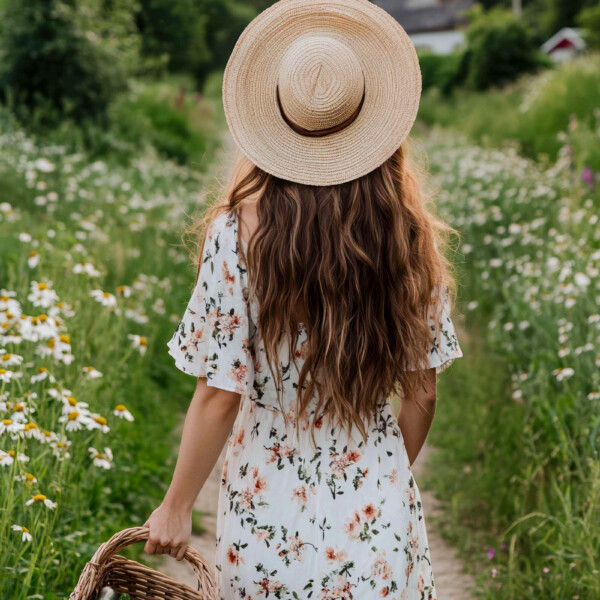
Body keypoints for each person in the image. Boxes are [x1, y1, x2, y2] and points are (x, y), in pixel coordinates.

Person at [144, 0, 463, 598]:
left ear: (277, 122)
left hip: (268, 520)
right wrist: (381, 483)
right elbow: (422, 393)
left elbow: (218, 393)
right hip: (378, 518)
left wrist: (177, 505)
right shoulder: (408, 236)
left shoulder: (236, 233)